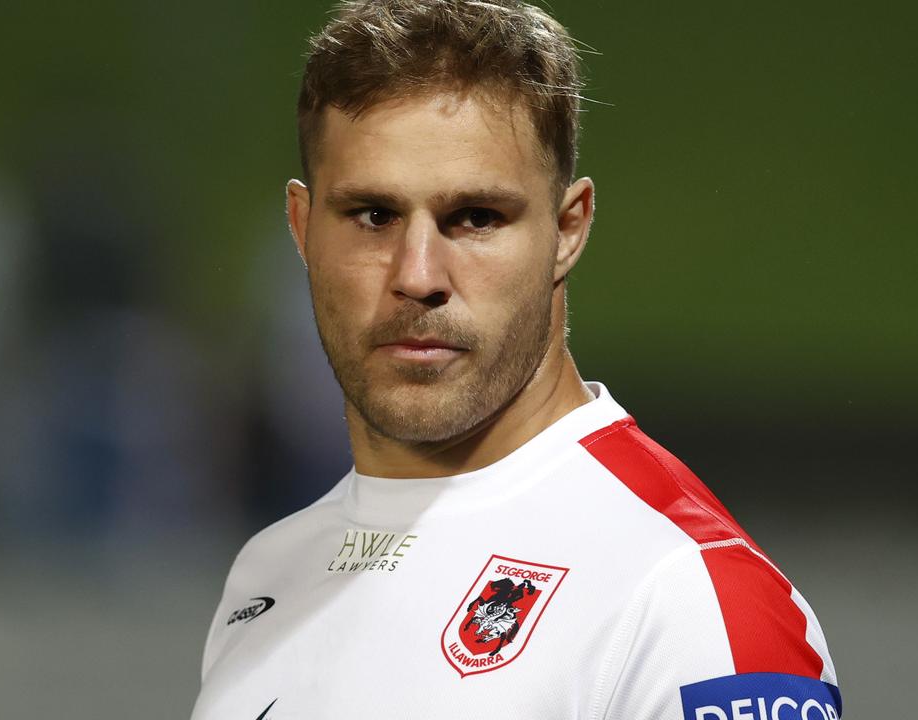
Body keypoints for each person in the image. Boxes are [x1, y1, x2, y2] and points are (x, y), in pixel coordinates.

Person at [190, 1, 841, 718]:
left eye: (474, 218)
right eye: (374, 216)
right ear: (303, 229)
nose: (417, 274)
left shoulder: (688, 602)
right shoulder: (269, 574)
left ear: (568, 230)